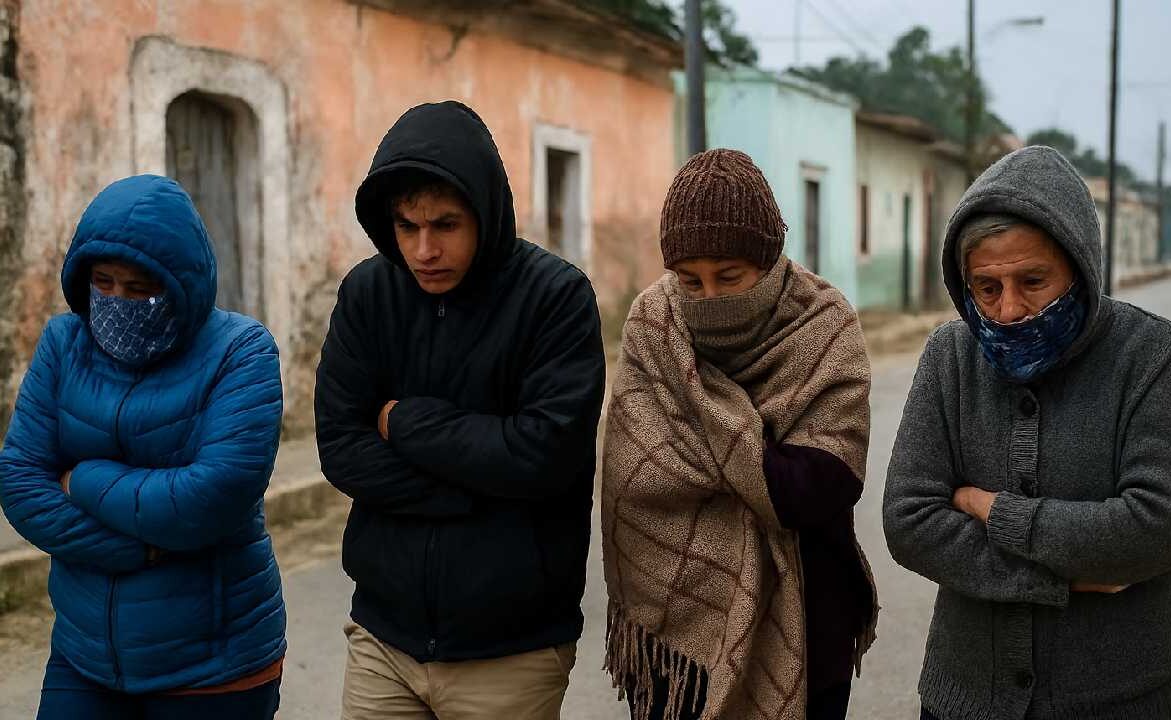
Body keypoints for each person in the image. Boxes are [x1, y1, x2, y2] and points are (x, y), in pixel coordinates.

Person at [883, 146, 1171, 720]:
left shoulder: (1148, 353)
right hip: (969, 700)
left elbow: (1160, 526)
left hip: (1130, 700)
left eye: (1033, 280)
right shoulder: (950, 357)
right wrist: (1066, 576)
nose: (1009, 311)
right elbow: (910, 522)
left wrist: (995, 512)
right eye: (986, 288)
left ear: (1081, 268)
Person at [315, 100, 606, 720]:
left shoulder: (555, 299)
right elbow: (340, 447)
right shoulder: (368, 294)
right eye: (406, 226)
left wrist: (402, 422)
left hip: (512, 651)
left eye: (445, 225)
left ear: (485, 212)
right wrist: (479, 489)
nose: (424, 249)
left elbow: (542, 456)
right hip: (383, 639)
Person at [602, 149, 878, 720]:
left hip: (812, 624)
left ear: (769, 262)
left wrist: (705, 435)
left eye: (729, 277)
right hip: (678, 648)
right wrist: (761, 457)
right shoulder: (653, 325)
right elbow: (636, 477)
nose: (709, 297)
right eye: (690, 280)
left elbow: (817, 487)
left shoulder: (825, 325)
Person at [0, 175, 287, 719]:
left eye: (139, 289)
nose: (117, 301)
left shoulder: (241, 352)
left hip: (213, 668)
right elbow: (20, 482)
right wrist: (141, 551)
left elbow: (210, 496)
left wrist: (80, 479)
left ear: (181, 285)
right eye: (103, 282)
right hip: (84, 657)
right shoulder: (63, 344)